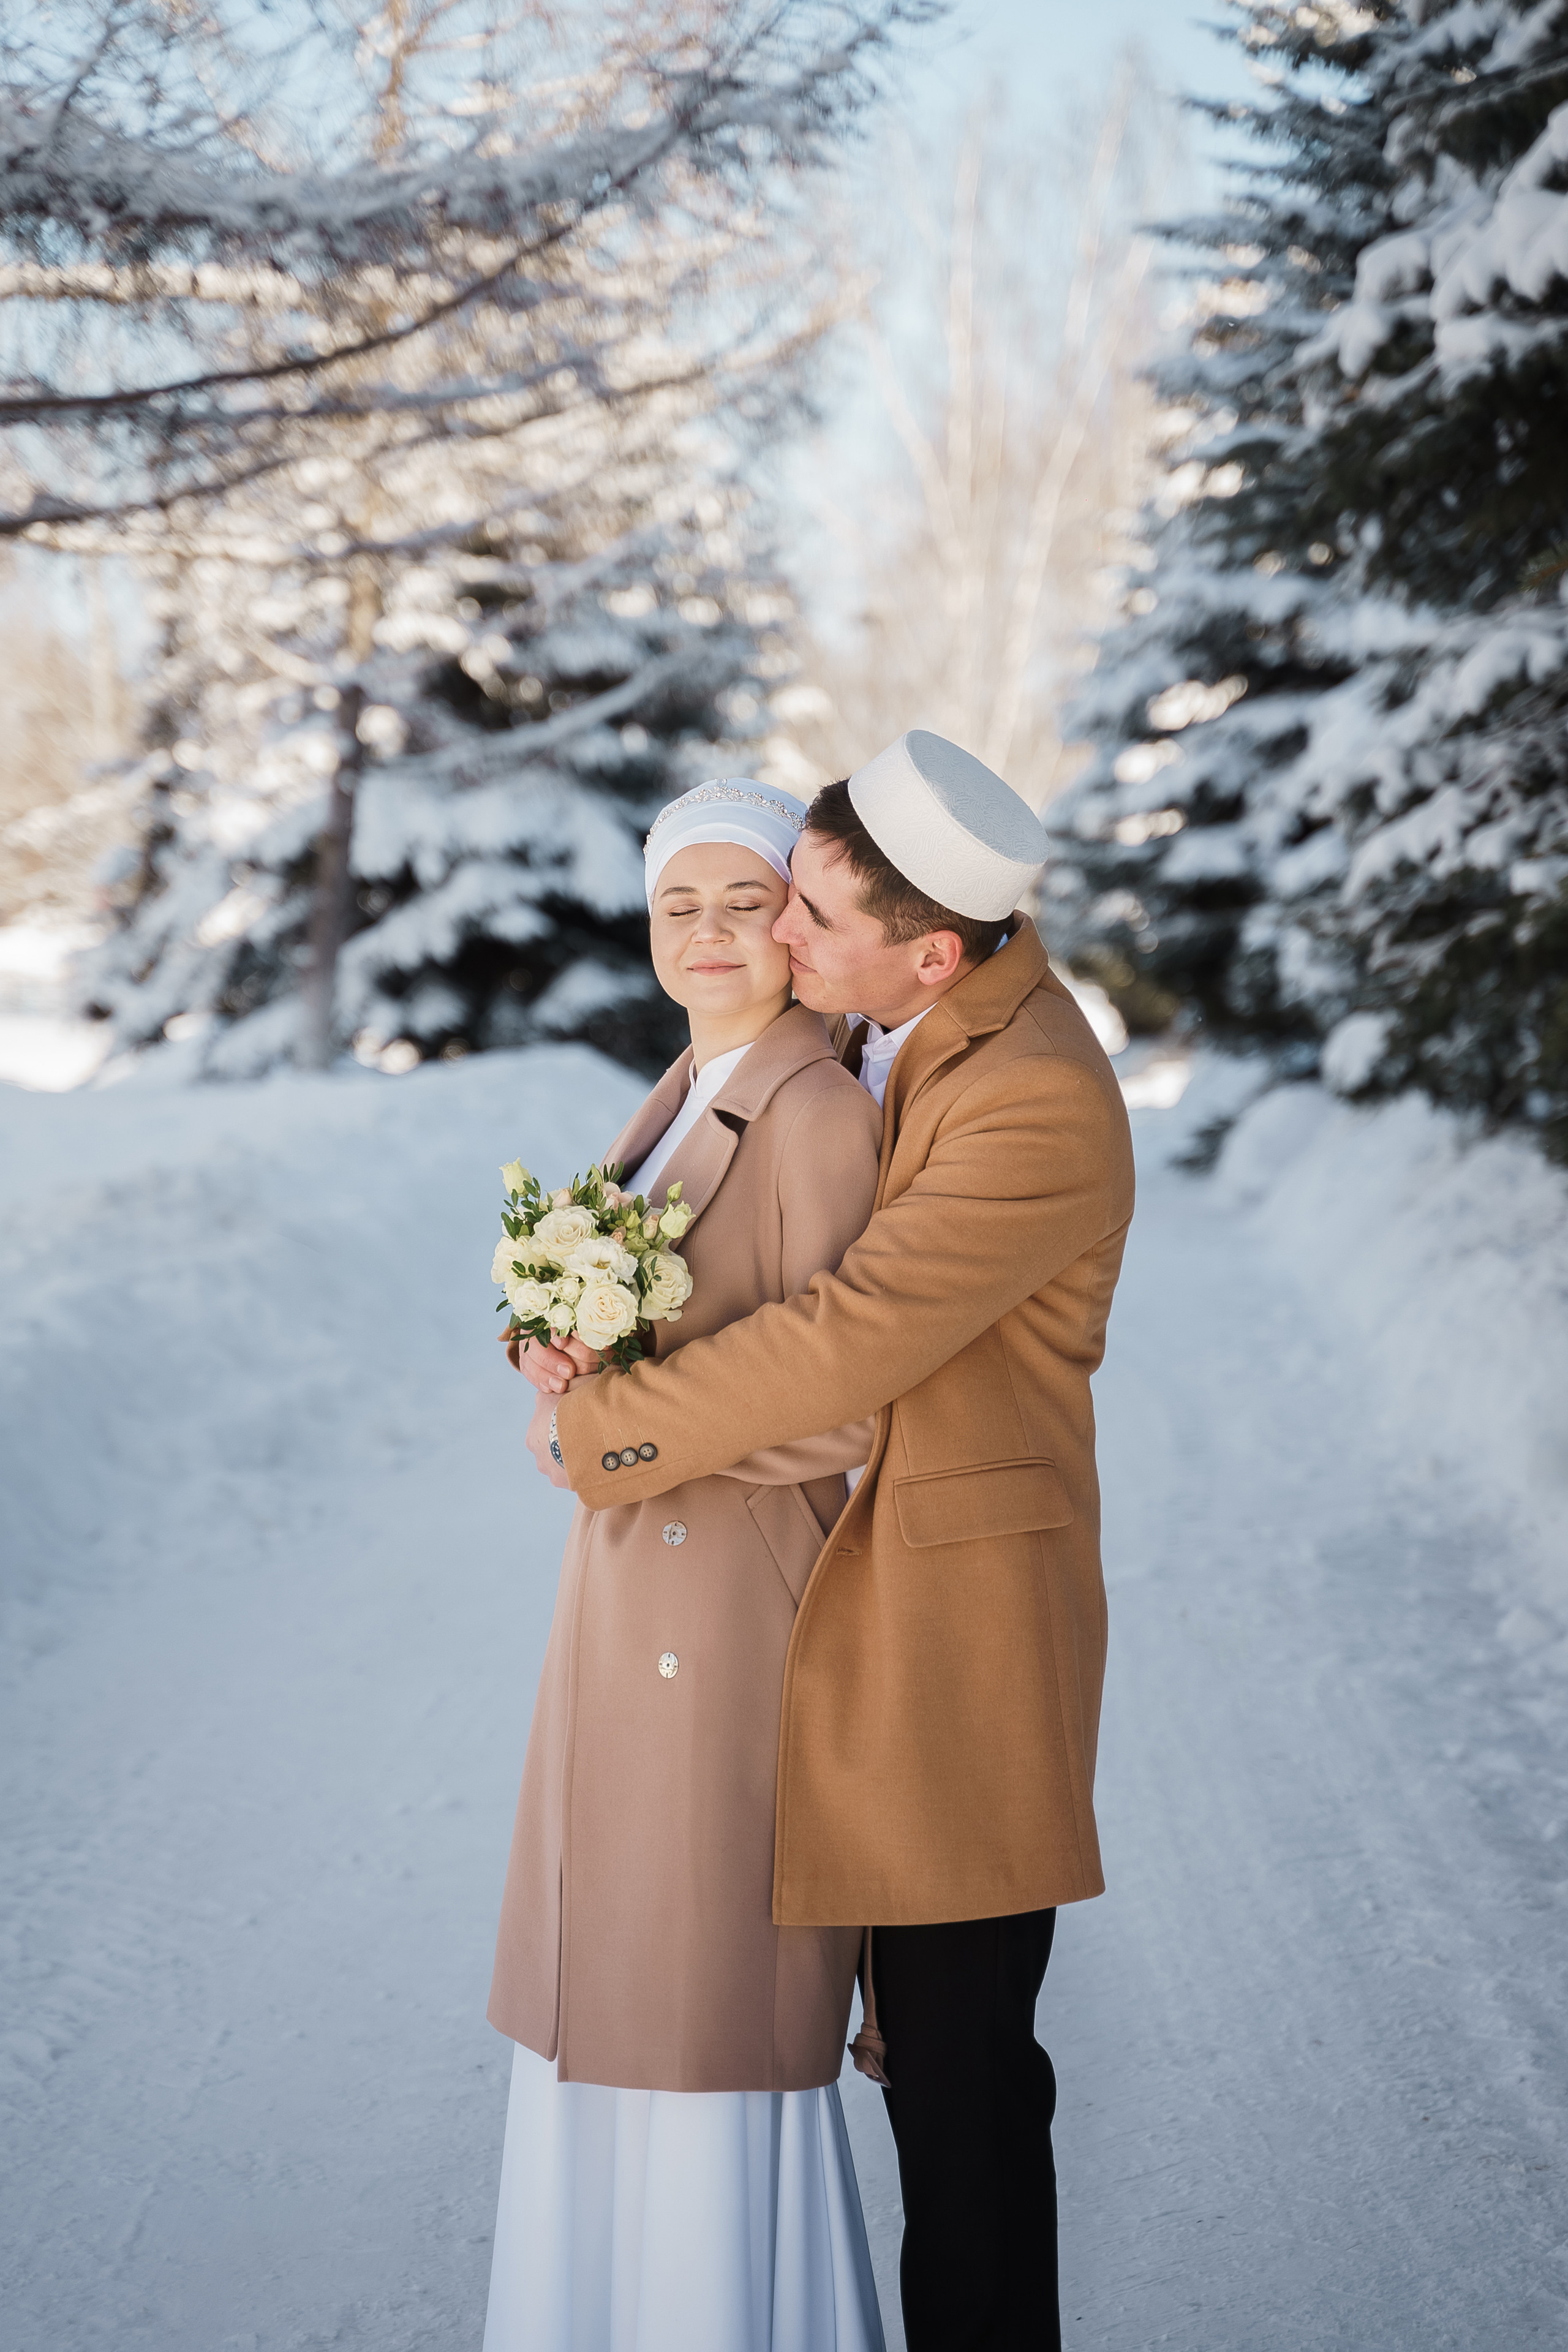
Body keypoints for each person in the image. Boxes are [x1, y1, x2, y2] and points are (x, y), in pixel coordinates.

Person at [519, 729, 1136, 2352]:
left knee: (960, 2085)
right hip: (830, 1580)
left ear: (929, 951)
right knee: (908, 2058)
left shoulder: (1033, 1102)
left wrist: (608, 1433)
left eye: (809, 914)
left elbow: (849, 1338)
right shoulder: (895, 1027)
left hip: (952, 1628)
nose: (776, 939)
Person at [483, 779, 888, 2352]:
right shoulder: (684, 1087)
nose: (710, 935)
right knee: (622, 1986)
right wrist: (565, 1355)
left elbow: (850, 1400)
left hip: (728, 1615)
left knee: (700, 2006)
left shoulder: (813, 1107)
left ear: (795, 917)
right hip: (633, 1596)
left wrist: (625, 1431)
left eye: (743, 902)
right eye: (678, 907)